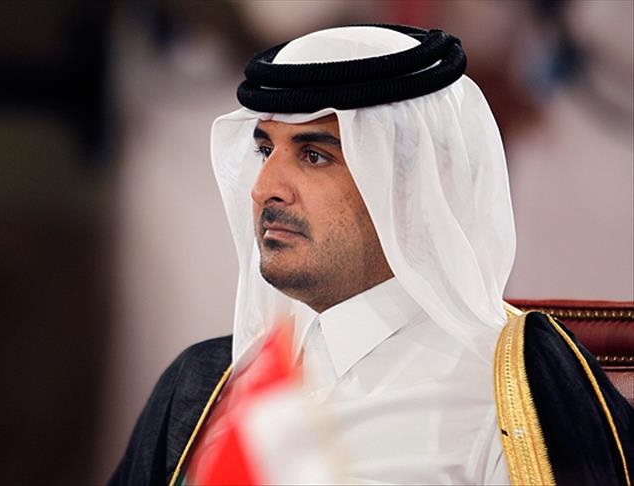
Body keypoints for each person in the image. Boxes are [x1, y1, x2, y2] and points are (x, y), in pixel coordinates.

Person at [110, 25, 633, 485]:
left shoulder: (514, 390)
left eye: (314, 155)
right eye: (265, 150)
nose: (265, 188)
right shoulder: (204, 386)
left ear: (411, 183)